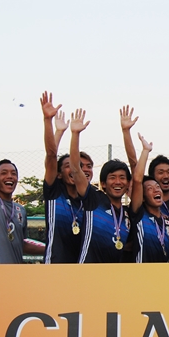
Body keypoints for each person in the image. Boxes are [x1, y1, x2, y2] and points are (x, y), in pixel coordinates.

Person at [0, 96, 43, 264]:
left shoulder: (20, 210)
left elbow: (21, 243)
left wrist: (51, 248)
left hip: (14, 277)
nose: (10, 177)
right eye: (4, 173)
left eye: (13, 174)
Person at [69, 108, 132, 263]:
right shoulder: (93, 199)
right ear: (103, 183)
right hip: (88, 273)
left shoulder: (129, 213)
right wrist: (75, 134)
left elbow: (136, 168)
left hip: (114, 277)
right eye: (112, 178)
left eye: (122, 178)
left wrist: (126, 132)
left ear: (128, 183)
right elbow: (76, 170)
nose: (118, 182)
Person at [41, 92, 95, 264]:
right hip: (54, 266)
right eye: (70, 166)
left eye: (87, 166)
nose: (79, 170)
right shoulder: (54, 192)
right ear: (59, 173)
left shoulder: (89, 199)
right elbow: (51, 155)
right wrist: (51, 124)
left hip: (81, 270)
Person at [123, 133, 169, 263]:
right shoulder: (139, 214)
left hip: (163, 277)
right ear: (142, 198)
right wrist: (145, 151)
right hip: (141, 275)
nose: (156, 190)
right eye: (149, 189)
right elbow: (137, 178)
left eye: (157, 187)